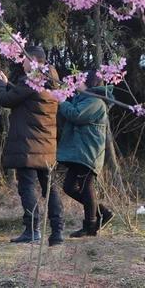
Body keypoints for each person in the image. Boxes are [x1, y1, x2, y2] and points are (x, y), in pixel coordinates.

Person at [0, 46, 64, 246]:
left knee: (27, 187)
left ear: (32, 60)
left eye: (24, 60)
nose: (22, 63)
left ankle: (32, 229)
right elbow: (23, 97)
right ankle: (57, 232)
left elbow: (6, 100)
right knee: (50, 189)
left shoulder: (32, 80)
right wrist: (9, 85)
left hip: (28, 147)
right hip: (47, 146)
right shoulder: (52, 82)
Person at [57, 70, 114, 237]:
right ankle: (102, 212)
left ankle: (90, 225)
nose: (76, 83)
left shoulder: (95, 101)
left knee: (86, 186)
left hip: (88, 152)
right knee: (69, 187)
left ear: (89, 83)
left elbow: (76, 115)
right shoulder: (84, 99)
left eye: (80, 80)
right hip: (80, 152)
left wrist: (62, 101)